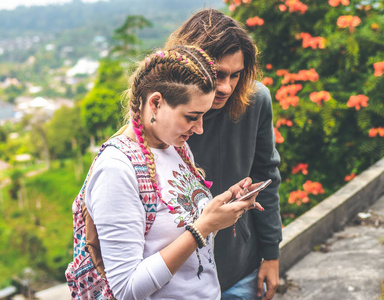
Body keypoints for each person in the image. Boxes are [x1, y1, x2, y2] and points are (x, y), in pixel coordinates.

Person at [66, 46, 263, 300]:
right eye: (192, 116)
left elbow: (180, 231)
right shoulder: (117, 169)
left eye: (203, 115)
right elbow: (126, 289)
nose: (200, 128)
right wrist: (203, 228)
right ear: (155, 103)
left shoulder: (175, 147)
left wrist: (223, 211)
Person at [166, 9, 283, 300]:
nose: (226, 87)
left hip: (240, 269)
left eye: (236, 75)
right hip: (181, 278)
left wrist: (271, 254)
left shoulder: (255, 101)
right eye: (217, 74)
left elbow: (265, 176)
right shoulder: (165, 116)